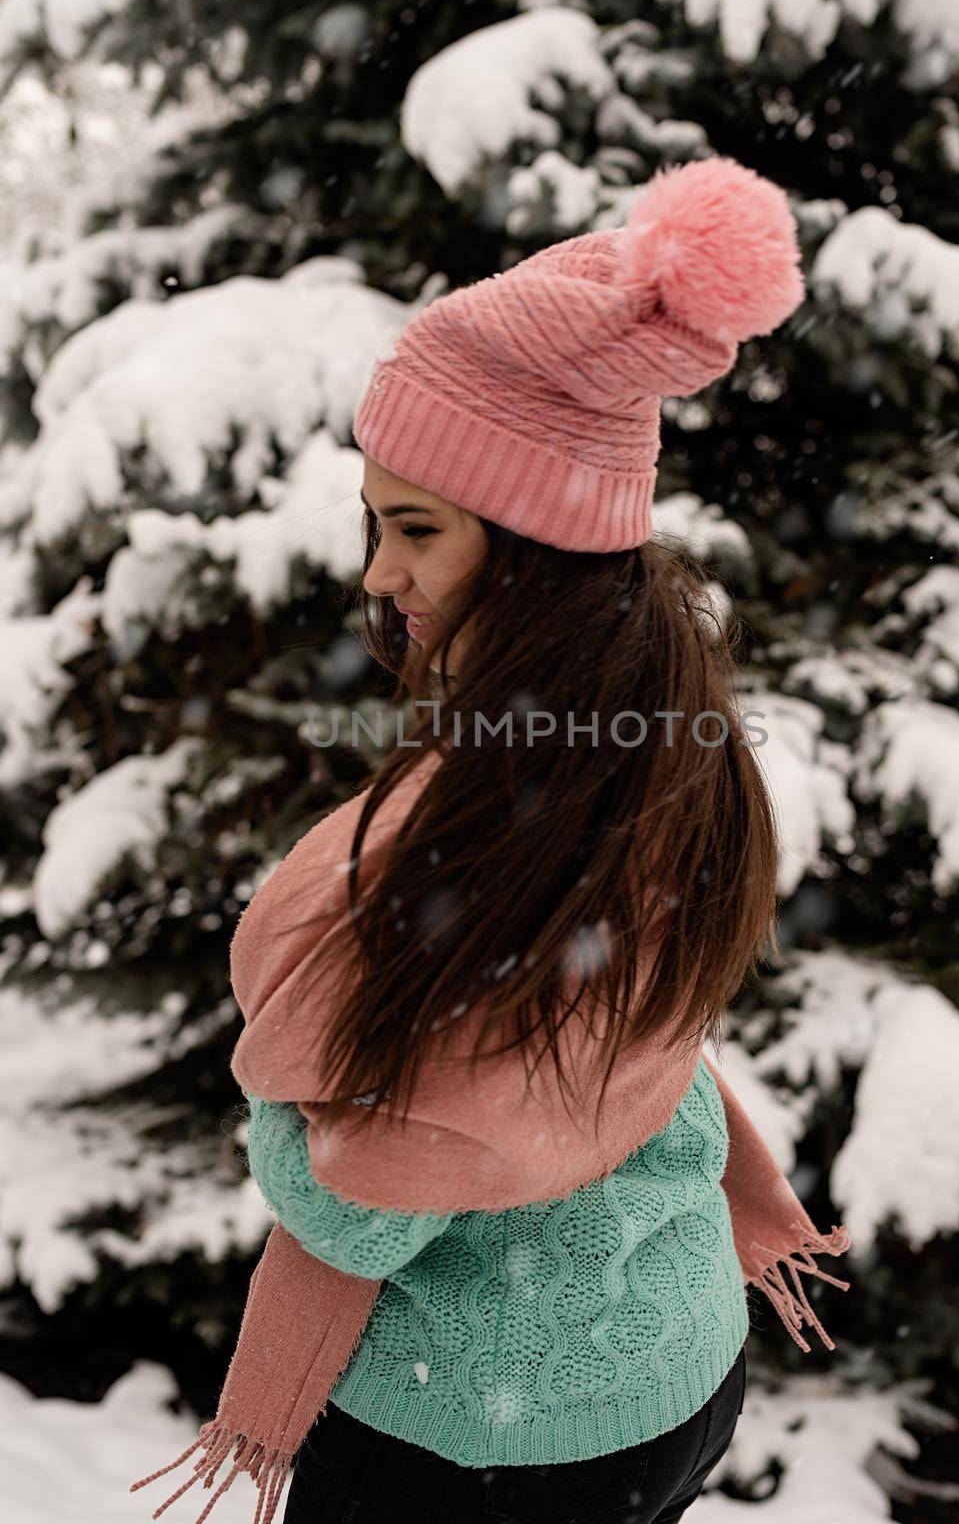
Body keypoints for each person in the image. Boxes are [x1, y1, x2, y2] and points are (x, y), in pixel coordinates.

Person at [130, 154, 852, 1524]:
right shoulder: (665, 736)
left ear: (529, 546)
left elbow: (361, 1194)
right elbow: (615, 1072)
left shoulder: (473, 840)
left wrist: (284, 1135)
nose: (377, 575)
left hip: (472, 1437)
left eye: (414, 529)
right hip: (671, 1357)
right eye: (373, 524)